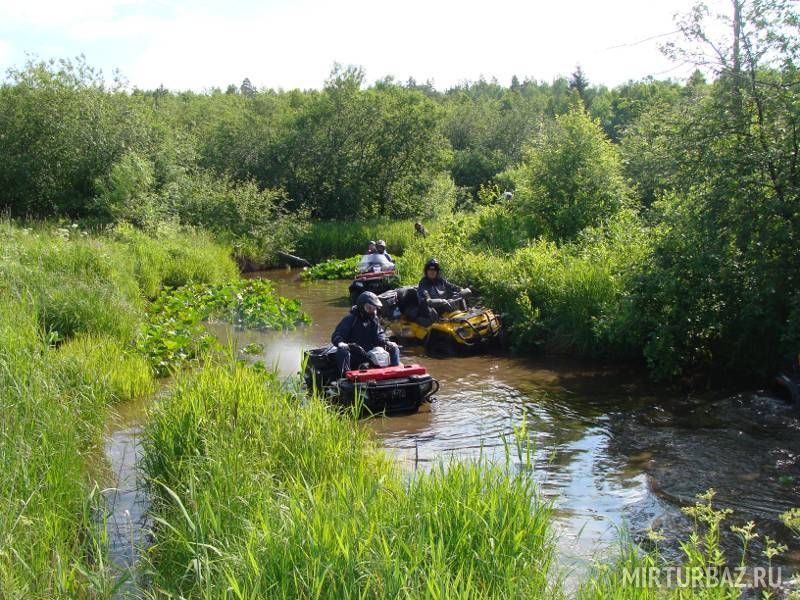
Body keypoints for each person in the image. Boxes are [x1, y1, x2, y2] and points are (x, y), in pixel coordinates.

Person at [332, 291, 400, 373]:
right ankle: (346, 376)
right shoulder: (350, 319)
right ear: (361, 307)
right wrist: (341, 343)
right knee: (342, 351)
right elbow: (337, 335)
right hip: (354, 354)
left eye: (374, 308)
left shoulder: (374, 320)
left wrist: (387, 342)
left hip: (370, 353)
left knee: (393, 347)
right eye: (369, 308)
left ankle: (396, 372)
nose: (372, 311)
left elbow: (379, 335)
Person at [416, 257, 471, 322]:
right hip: (431, 311)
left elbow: (452, 286)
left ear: (437, 271)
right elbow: (428, 300)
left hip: (445, 307)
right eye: (430, 270)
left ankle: (465, 314)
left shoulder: (440, 280)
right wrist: (442, 301)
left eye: (434, 270)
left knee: (460, 295)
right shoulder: (423, 283)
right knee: (431, 310)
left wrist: (461, 290)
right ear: (426, 271)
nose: (432, 272)